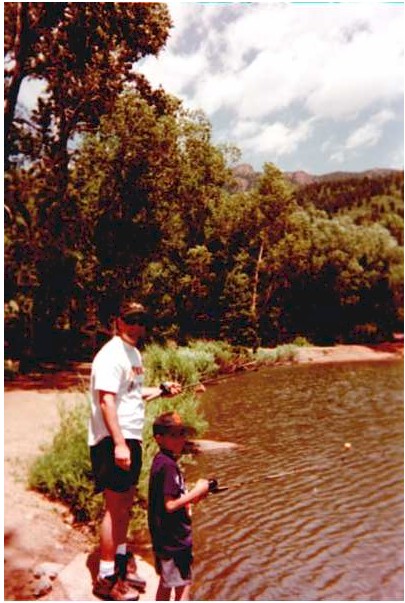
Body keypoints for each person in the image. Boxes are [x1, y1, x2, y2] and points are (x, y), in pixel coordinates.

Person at [88, 300, 181, 601]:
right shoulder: (111, 355)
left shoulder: (134, 354)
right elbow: (106, 401)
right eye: (131, 320)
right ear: (118, 321)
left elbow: (130, 394)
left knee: (125, 505)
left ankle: (121, 562)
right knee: (115, 509)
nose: (137, 326)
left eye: (141, 320)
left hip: (130, 438)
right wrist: (117, 444)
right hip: (114, 440)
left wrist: (161, 389)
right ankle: (105, 579)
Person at [148, 411, 210, 601]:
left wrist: (192, 498)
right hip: (174, 541)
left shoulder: (162, 461)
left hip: (164, 540)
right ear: (159, 438)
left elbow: (171, 498)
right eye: (174, 435)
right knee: (183, 586)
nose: (181, 439)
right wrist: (197, 490)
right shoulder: (168, 466)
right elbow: (170, 504)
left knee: (167, 584)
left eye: (182, 433)